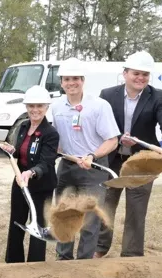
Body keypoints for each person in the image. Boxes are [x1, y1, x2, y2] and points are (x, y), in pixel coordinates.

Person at [95, 51, 162, 258]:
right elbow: (98, 125)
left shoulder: (159, 97)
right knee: (105, 205)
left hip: (142, 162)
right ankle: (99, 248)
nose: (140, 78)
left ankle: (131, 256)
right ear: (125, 73)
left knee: (136, 209)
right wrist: (115, 139)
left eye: (145, 74)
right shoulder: (107, 95)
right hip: (112, 159)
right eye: (136, 73)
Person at [50, 57, 120, 261]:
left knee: (89, 220)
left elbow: (112, 140)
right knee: (64, 215)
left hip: (94, 168)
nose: (71, 83)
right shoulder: (57, 107)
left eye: (76, 79)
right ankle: (63, 259)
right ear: (61, 82)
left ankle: (84, 263)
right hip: (67, 167)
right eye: (67, 79)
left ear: (83, 80)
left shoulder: (99, 106)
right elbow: (57, 140)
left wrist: (93, 155)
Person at [0, 85, 59, 263]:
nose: (35, 110)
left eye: (39, 106)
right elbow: (20, 152)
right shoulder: (24, 126)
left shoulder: (51, 133)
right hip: (20, 183)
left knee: (38, 227)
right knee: (16, 223)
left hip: (41, 187)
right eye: (31, 106)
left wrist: (31, 172)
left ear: (46, 107)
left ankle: (35, 265)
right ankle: (13, 262)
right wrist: (11, 150)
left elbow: (46, 162)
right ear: (26, 107)